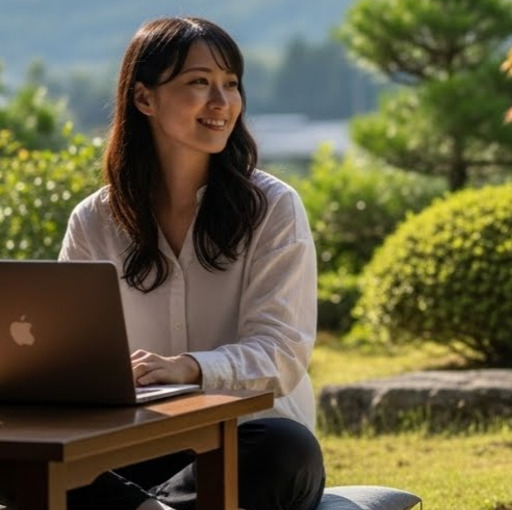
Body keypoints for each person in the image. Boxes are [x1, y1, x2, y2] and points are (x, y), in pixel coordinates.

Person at [55, 16, 325, 510]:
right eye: (199, 82)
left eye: (231, 83)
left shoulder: (273, 207)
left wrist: (190, 367)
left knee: (286, 450)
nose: (222, 102)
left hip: (244, 439)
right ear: (144, 99)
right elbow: (72, 357)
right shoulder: (94, 220)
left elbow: (282, 352)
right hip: (135, 444)